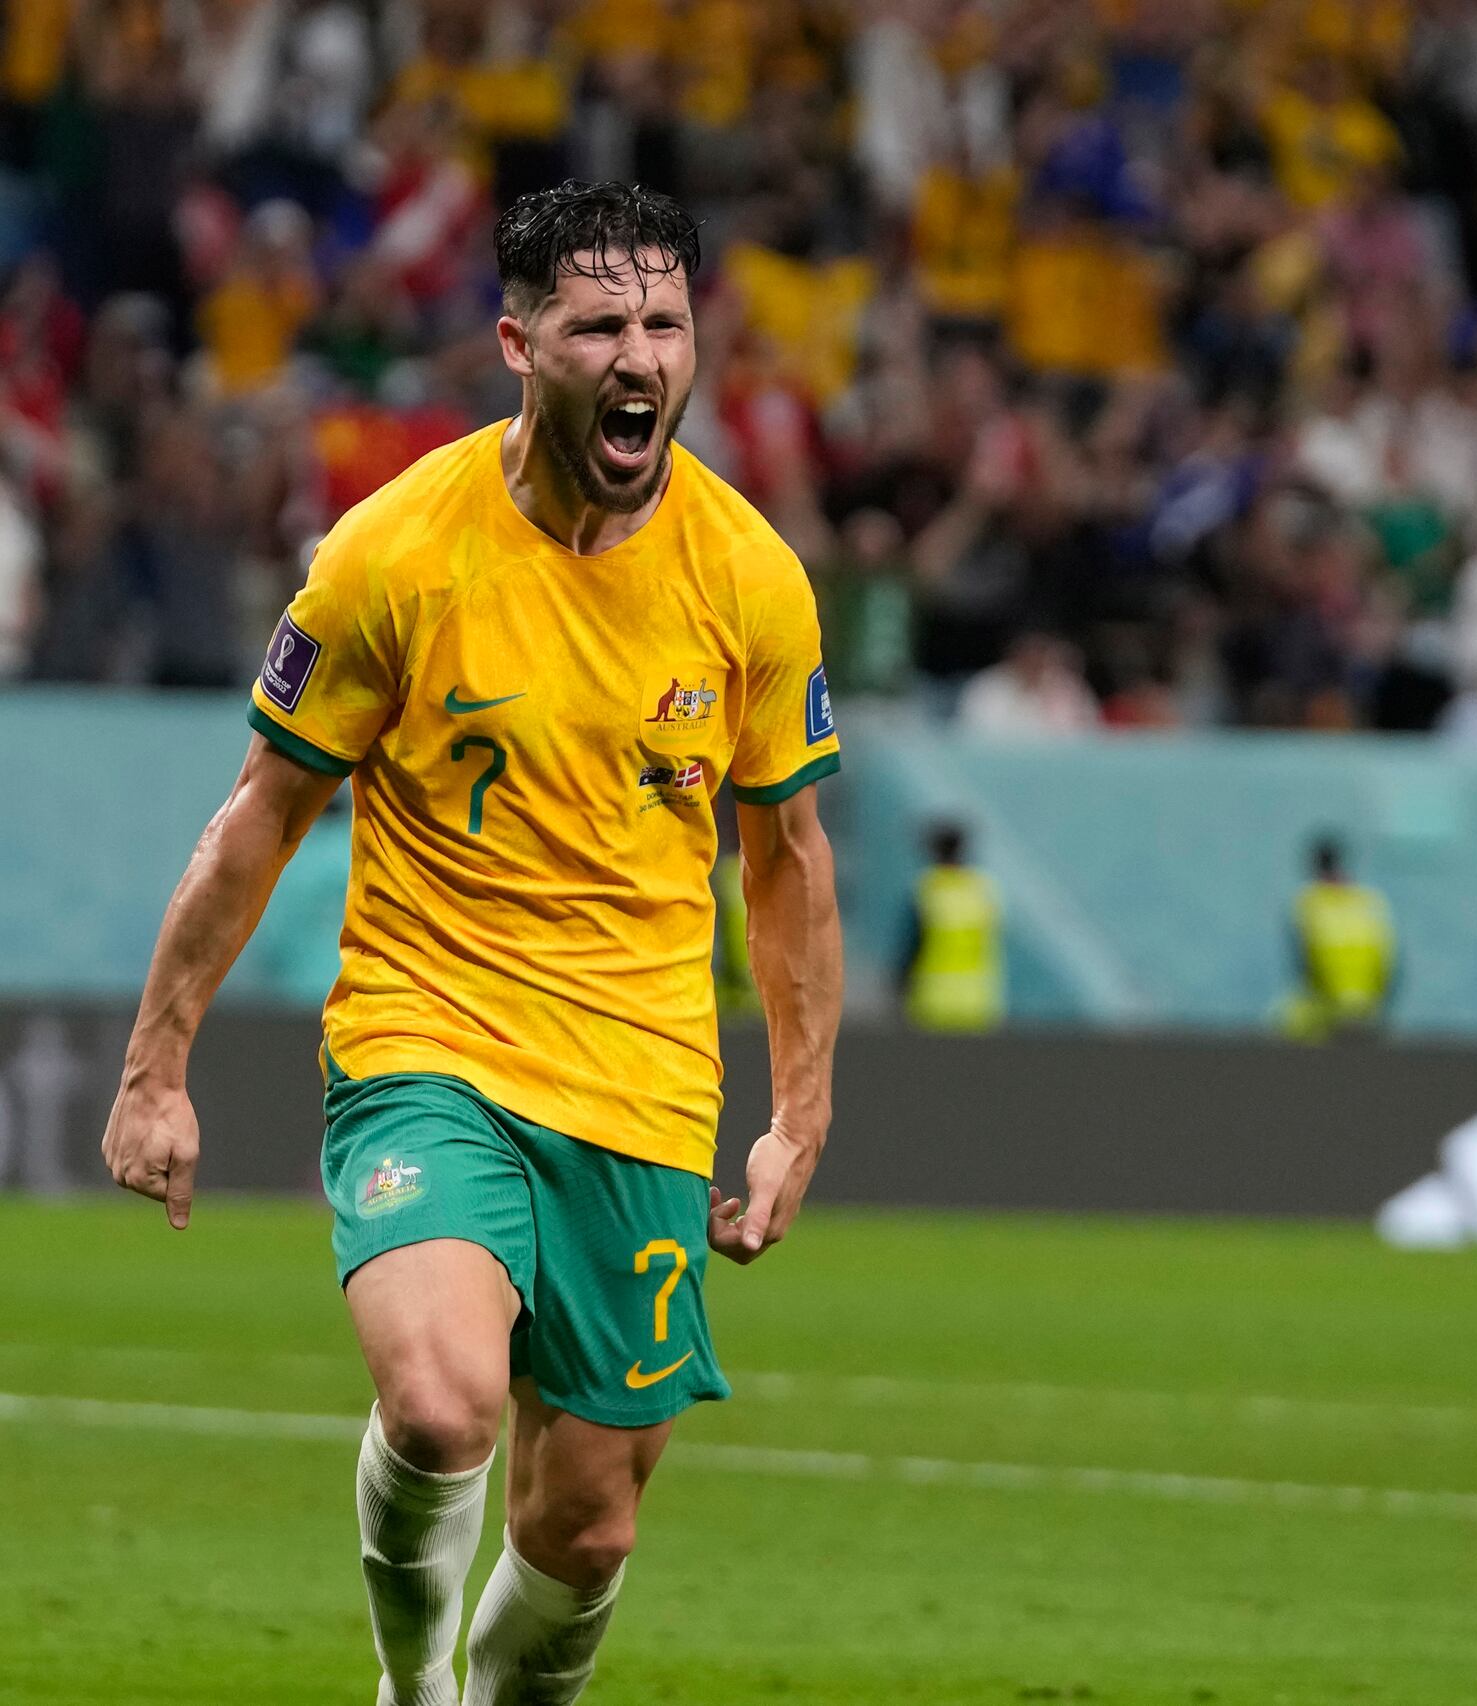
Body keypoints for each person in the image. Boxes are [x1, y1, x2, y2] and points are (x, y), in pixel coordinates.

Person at [100, 181, 847, 1706]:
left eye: (664, 323)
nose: (639, 356)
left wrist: (799, 1112)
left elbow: (786, 861)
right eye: (598, 326)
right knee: (443, 1407)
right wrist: (155, 1065)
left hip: (641, 1078)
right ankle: (411, 1686)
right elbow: (259, 817)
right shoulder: (392, 555)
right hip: (427, 1038)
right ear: (518, 340)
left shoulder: (751, 580)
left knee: (588, 1526)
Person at [1282, 834, 1398, 1039]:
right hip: (1370, 1009)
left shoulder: (1307, 903)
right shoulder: (1371, 902)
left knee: (1285, 1022)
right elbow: (1391, 966)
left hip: (1328, 1009)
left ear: (1313, 866)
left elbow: (1303, 966)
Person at [899, 820, 1005, 1032]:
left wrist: (899, 986)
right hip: (979, 1001)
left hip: (932, 1002)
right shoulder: (983, 889)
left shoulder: (928, 889)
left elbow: (912, 945)